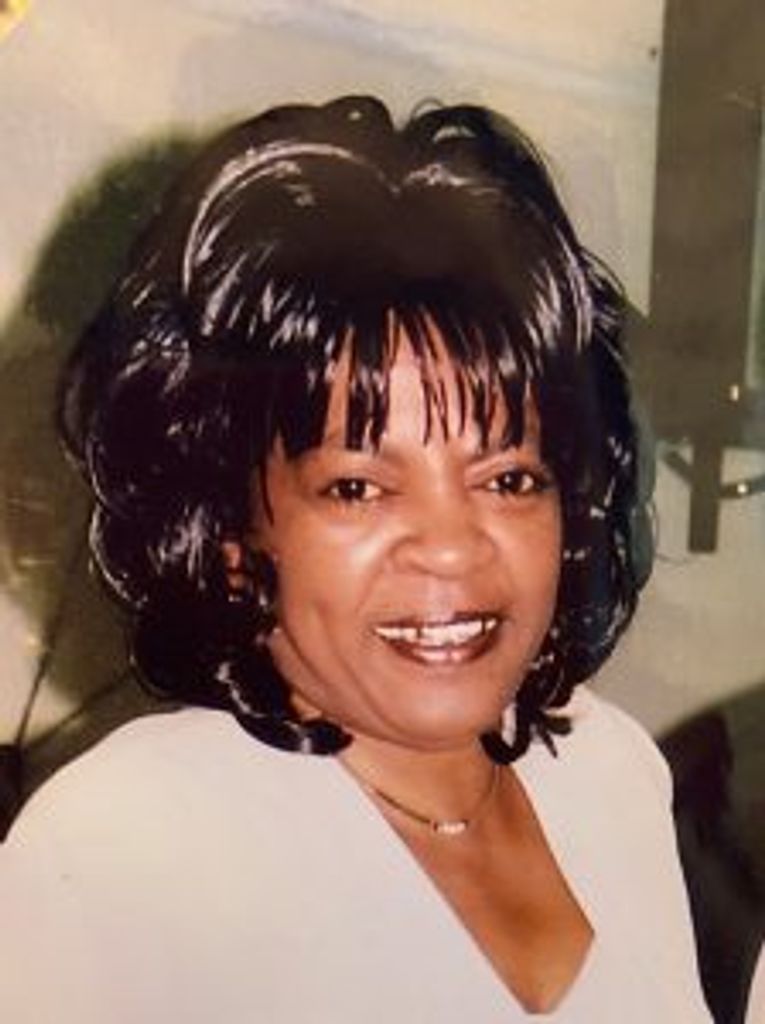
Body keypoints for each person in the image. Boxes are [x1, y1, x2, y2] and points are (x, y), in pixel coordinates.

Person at [0, 95, 711, 1022]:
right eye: (357, 488)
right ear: (228, 532)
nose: (451, 546)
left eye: (507, 479)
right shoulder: (126, 846)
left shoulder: (608, 769)